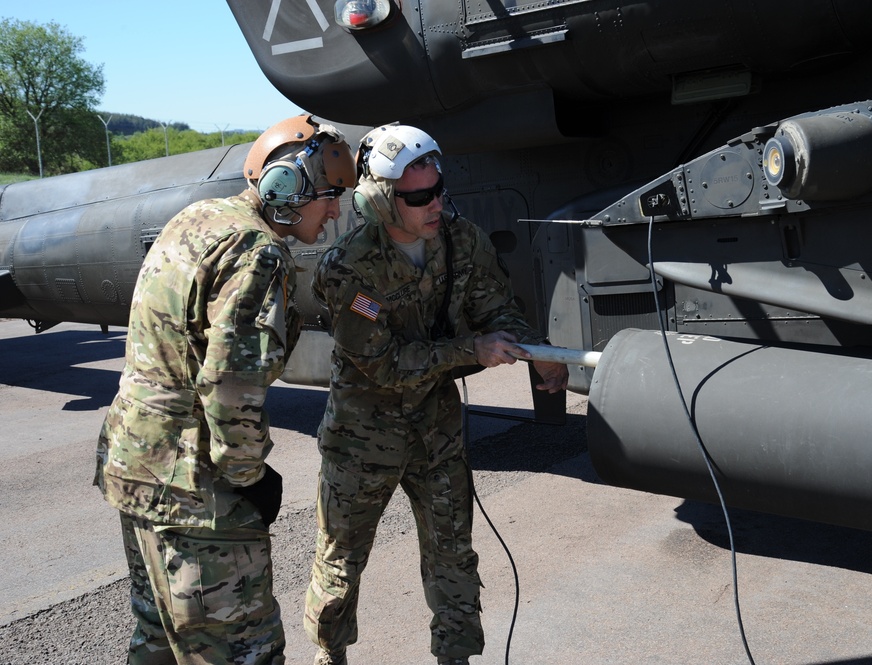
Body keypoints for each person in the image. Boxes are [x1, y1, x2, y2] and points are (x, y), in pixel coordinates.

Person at [94, 114, 356, 665]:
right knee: (242, 652)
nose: (335, 212)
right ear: (288, 187)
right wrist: (247, 478)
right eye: (330, 196)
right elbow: (230, 385)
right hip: (197, 491)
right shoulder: (255, 251)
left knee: (160, 643)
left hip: (136, 465)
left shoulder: (198, 219)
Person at [306, 124, 569, 665]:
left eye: (439, 189)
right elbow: (382, 363)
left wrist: (533, 348)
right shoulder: (349, 270)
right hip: (363, 438)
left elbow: (496, 306)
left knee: (454, 556)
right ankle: (329, 654)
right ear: (381, 200)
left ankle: (456, 657)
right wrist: (472, 349)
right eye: (419, 197)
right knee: (340, 563)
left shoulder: (461, 238)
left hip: (437, 429)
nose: (435, 204)